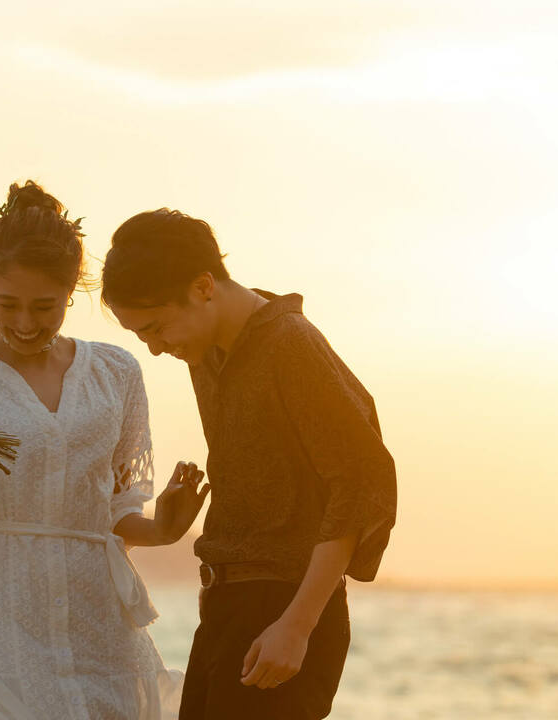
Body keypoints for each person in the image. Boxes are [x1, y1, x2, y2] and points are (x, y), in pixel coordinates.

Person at [0, 182, 207, 719]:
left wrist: (164, 529)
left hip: (101, 624)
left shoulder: (116, 372)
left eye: (45, 306)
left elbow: (118, 516)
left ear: (72, 293)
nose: (25, 323)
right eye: (7, 304)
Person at [101, 209, 398, 720]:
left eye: (156, 327)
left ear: (202, 286)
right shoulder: (207, 354)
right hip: (226, 606)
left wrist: (297, 626)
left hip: (283, 610)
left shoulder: (289, 342)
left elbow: (360, 482)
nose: (153, 349)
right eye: (139, 336)